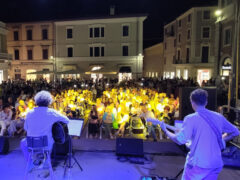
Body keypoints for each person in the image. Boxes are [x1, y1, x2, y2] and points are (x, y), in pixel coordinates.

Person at [159, 89, 240, 180]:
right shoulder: (218, 117)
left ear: (192, 102)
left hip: (197, 165)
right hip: (215, 164)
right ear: (206, 102)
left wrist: (166, 131)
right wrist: (222, 139)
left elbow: (180, 140)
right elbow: (235, 131)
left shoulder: (190, 118)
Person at [20, 90, 69, 176]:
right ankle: (45, 161)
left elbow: (25, 128)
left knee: (23, 142)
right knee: (49, 138)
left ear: (36, 101)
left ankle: (31, 161)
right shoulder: (51, 112)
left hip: (31, 144)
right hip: (45, 144)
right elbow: (67, 120)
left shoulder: (29, 113)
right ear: (49, 102)